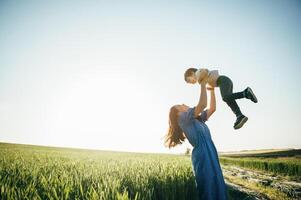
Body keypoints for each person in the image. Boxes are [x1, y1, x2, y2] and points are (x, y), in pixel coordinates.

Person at [164, 80, 228, 200]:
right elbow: (202, 104)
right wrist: (202, 82)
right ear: (178, 113)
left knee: (217, 183)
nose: (183, 103)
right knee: (208, 188)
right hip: (202, 154)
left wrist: (211, 89)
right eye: (180, 105)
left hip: (211, 151)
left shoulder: (198, 119)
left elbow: (212, 108)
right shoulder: (183, 118)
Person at [184, 67, 258, 129]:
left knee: (225, 97)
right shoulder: (201, 77)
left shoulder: (198, 72)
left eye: (190, 80)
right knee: (229, 100)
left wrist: (201, 81)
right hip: (224, 82)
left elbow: (204, 71)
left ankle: (245, 93)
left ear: (191, 73)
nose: (192, 83)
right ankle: (239, 115)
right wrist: (209, 87)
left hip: (223, 80)